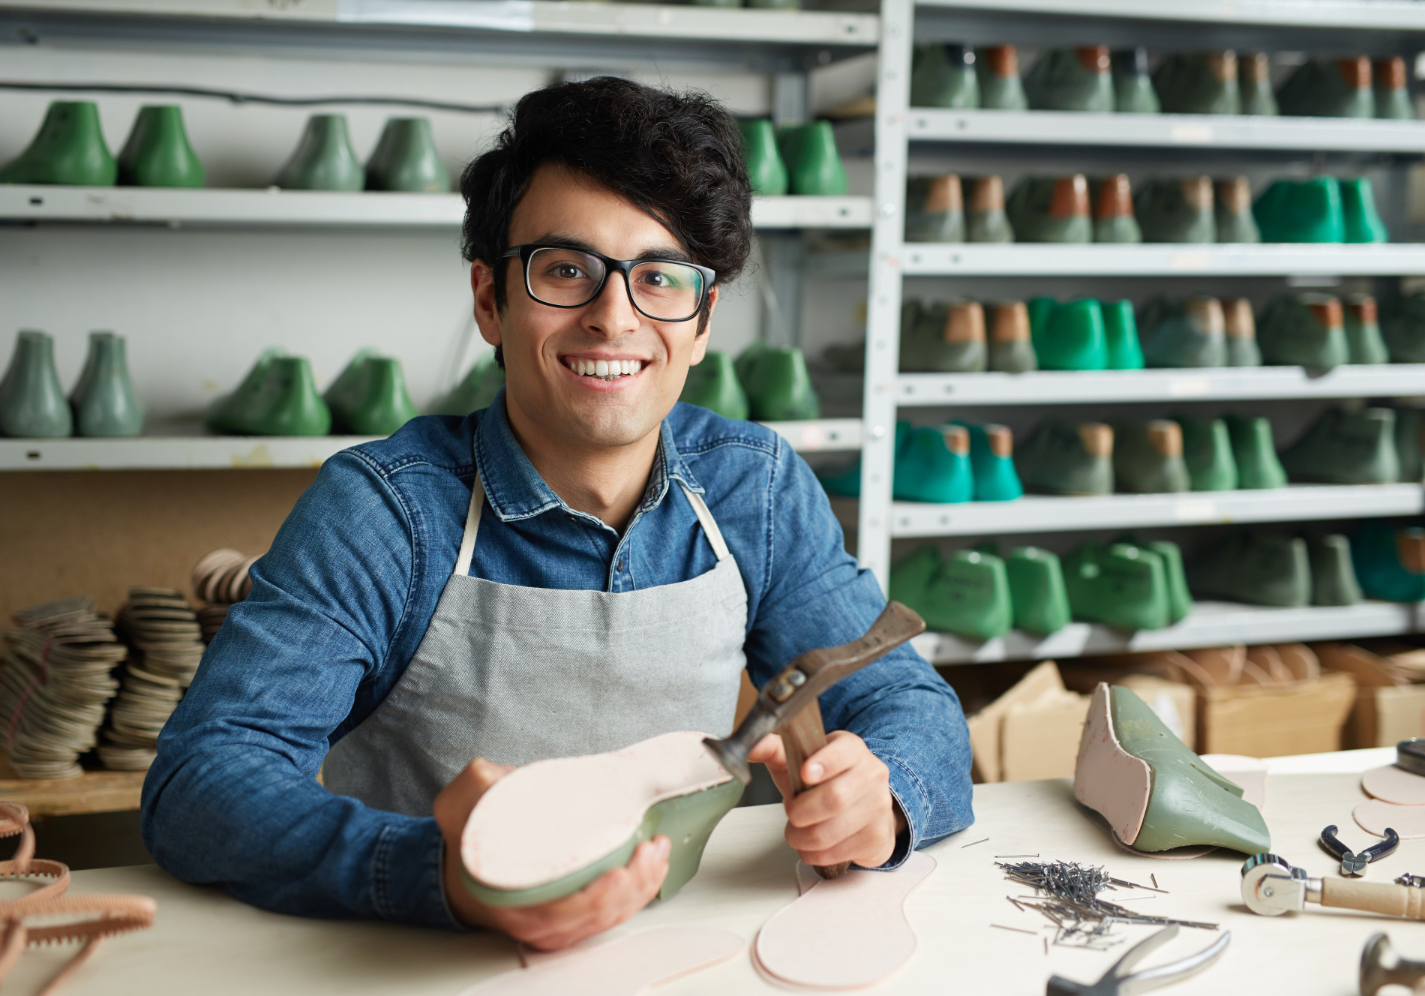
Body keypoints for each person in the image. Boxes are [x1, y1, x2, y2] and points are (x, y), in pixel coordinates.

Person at [142, 77, 972, 950]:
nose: (613, 318)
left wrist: (884, 798)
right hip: (438, 958)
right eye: (566, 270)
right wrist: (446, 878)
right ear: (490, 300)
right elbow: (202, 780)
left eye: (660, 278)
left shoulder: (751, 490)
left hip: (686, 956)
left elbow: (906, 699)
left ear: (702, 320)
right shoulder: (388, 510)